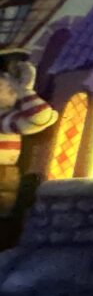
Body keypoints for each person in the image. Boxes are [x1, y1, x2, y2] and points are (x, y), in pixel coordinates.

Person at [0, 46, 57, 210]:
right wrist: (24, 91)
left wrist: (24, 91)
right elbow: (39, 117)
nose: (8, 86)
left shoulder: (7, 117)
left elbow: (39, 116)